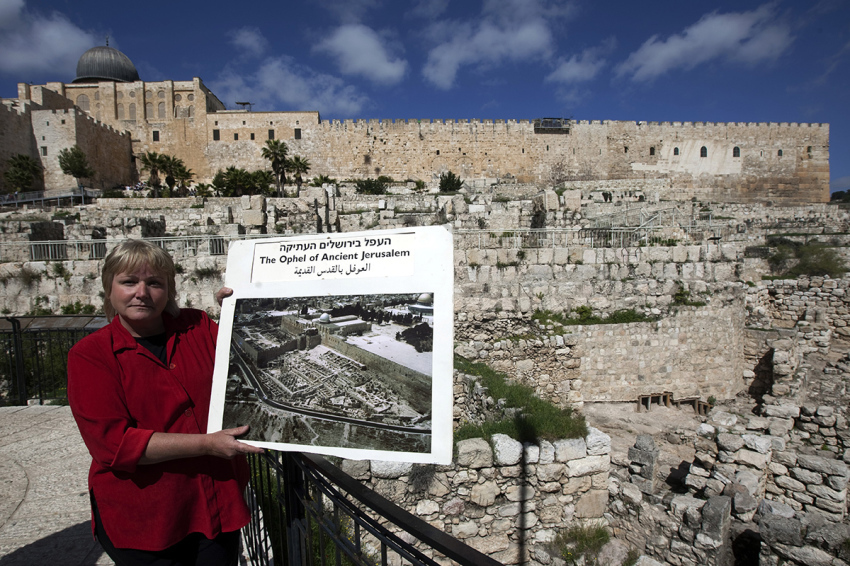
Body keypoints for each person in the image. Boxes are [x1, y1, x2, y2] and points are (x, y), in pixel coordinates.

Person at [68, 240, 263, 566]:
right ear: (109, 288)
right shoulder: (91, 356)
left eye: (154, 283)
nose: (141, 292)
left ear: (169, 290)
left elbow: (249, 362)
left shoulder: (199, 327)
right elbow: (113, 445)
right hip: (146, 518)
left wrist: (239, 313)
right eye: (129, 282)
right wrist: (207, 445)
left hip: (215, 503)